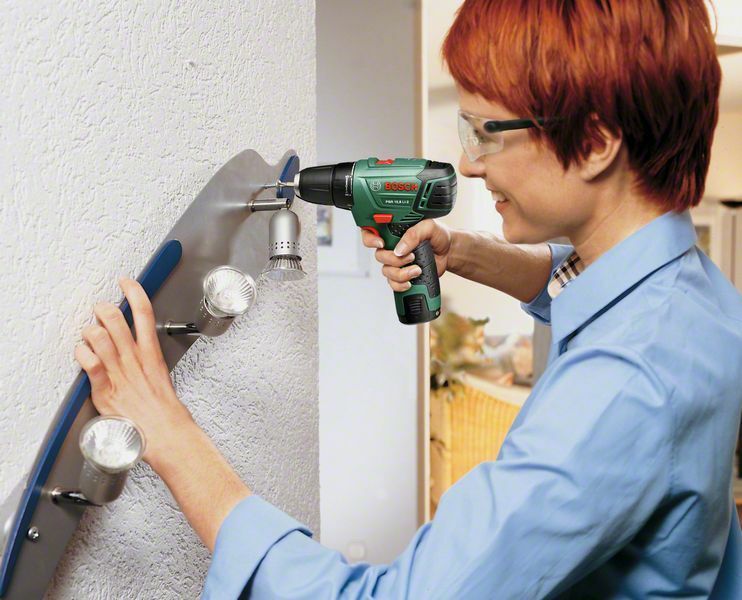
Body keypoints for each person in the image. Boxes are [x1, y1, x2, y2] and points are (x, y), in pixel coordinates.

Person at [75, 0, 742, 597]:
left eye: (485, 131)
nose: (470, 163)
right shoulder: (695, 293)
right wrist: (468, 253)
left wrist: (169, 432)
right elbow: (590, 285)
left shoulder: (625, 383)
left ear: (595, 142)